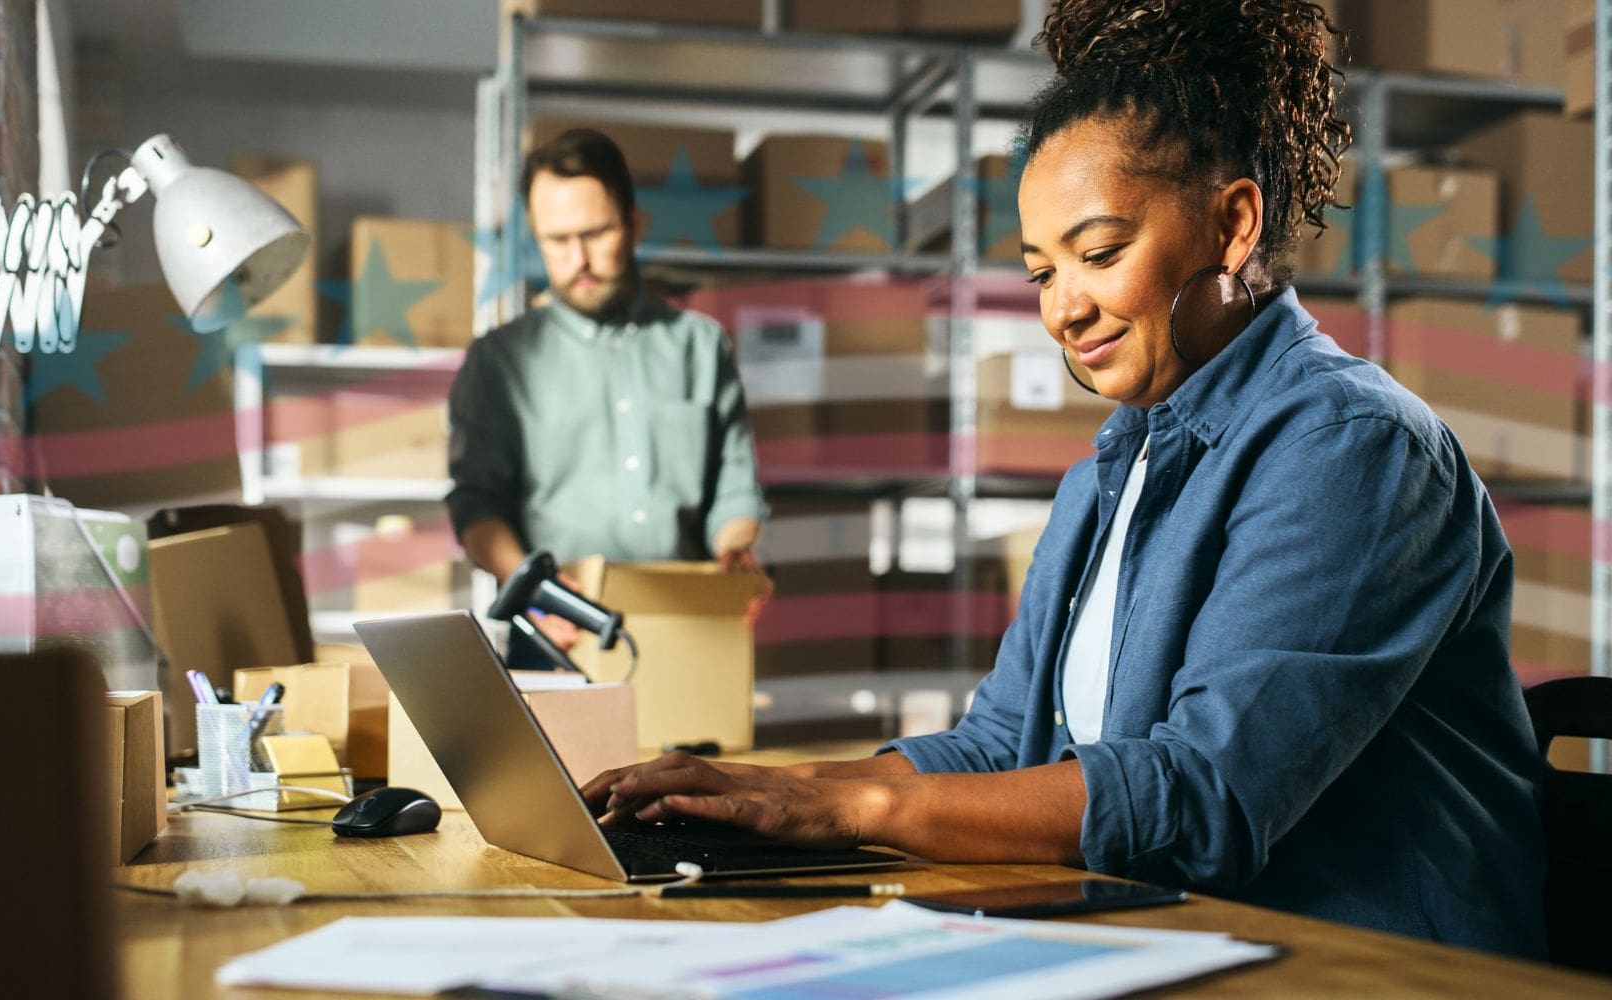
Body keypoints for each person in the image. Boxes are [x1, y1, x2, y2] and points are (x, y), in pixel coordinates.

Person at [581, 0, 1548, 959]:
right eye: (1042, 272)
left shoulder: (1354, 449)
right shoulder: (1116, 462)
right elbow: (1001, 745)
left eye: (1099, 253)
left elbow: (1202, 798)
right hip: (1181, 940)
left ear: (1234, 223)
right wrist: (757, 790)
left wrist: (846, 805)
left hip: (1372, 972)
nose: (1064, 309)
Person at [448, 128, 768, 652]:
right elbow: (477, 507)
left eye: (596, 233)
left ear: (633, 225)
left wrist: (736, 552)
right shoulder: (497, 362)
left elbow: (735, 492)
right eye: (556, 240)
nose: (579, 260)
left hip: (688, 632)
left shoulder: (701, 347)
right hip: (558, 636)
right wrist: (531, 587)